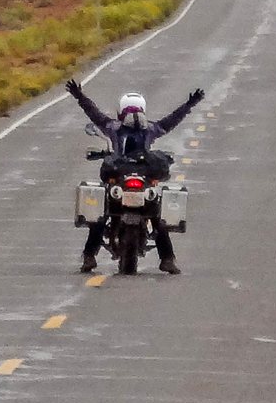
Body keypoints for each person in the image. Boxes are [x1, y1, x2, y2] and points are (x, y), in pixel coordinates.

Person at [65, 78, 203, 274]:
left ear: (121, 110)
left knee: (101, 216)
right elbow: (172, 119)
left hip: (119, 180)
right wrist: (190, 103)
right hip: (143, 181)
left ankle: (90, 256)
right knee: (156, 217)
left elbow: (93, 114)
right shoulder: (151, 129)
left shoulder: (113, 128)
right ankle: (167, 259)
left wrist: (78, 95)